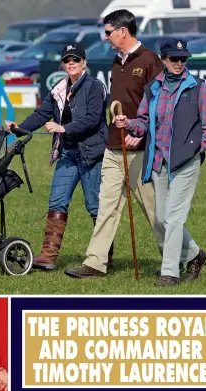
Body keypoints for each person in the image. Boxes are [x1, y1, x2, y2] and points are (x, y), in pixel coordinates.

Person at [65, 9, 165, 279]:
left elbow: (160, 107)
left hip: (140, 148)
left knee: (153, 210)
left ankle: (185, 256)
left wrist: (141, 134)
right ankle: (96, 262)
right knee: (106, 204)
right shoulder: (116, 62)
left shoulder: (150, 61)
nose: (105, 37)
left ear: (123, 31)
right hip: (114, 145)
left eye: (108, 32)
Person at [114, 39, 206, 286]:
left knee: (173, 218)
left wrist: (194, 150)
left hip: (185, 163)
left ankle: (170, 272)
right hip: (158, 162)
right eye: (174, 59)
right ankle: (195, 255)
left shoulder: (198, 88)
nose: (180, 63)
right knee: (159, 218)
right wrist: (128, 124)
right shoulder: (153, 89)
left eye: (183, 59)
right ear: (163, 59)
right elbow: (143, 122)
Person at [6, 43, 107, 270]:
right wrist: (18, 128)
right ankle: (48, 255)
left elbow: (93, 118)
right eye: (67, 60)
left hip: (91, 154)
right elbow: (42, 114)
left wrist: (64, 128)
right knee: (57, 201)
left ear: (84, 63)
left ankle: (102, 257)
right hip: (67, 154)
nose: (71, 63)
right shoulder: (58, 89)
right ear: (63, 64)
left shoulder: (95, 86)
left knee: (94, 206)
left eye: (76, 60)